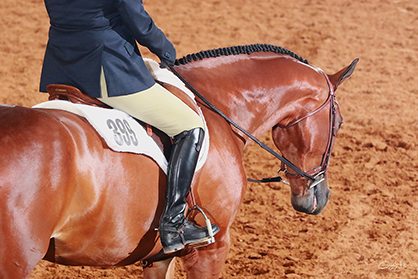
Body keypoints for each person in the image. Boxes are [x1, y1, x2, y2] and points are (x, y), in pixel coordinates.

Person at [40, 0, 219, 254]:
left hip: (62, 66)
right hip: (107, 66)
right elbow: (136, 18)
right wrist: (165, 49)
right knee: (189, 125)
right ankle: (174, 224)